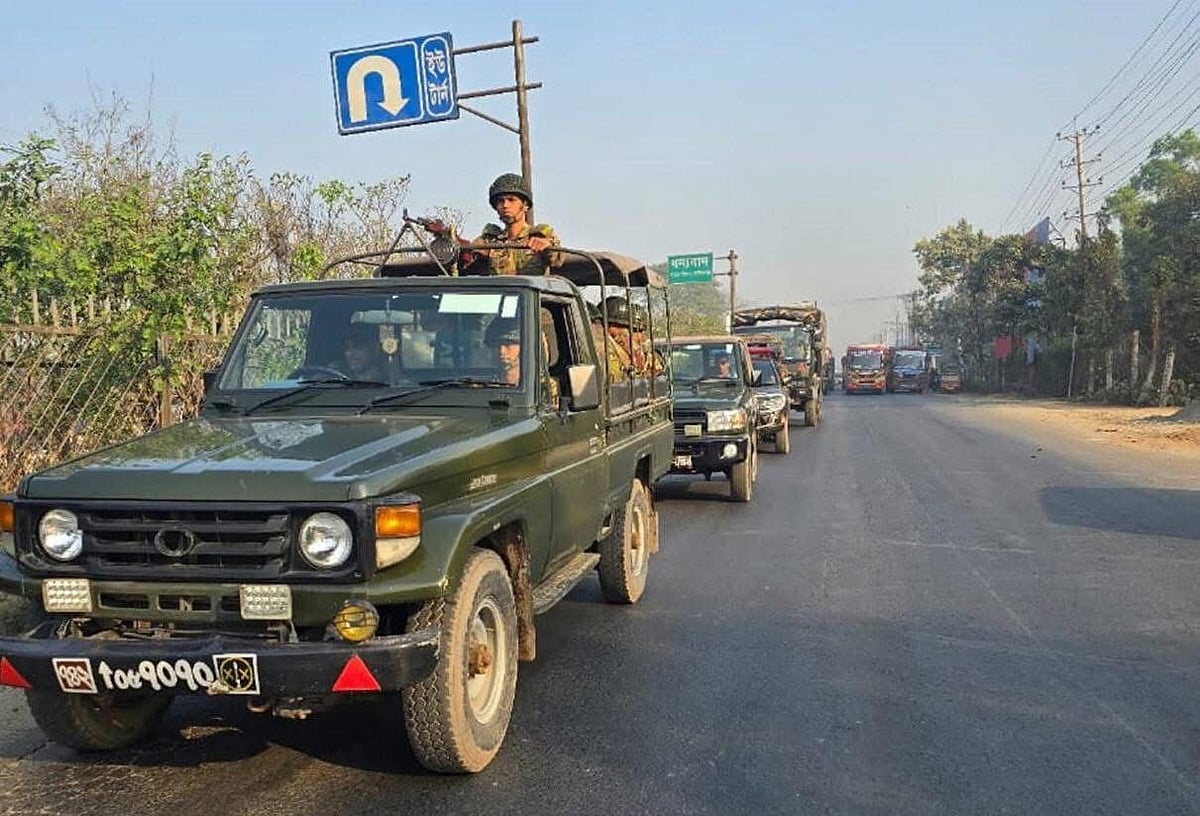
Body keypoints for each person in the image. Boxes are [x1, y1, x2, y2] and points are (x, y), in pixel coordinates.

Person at [473, 173, 563, 276]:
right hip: (499, 291)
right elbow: (467, 258)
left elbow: (558, 260)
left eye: (511, 200)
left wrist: (547, 246)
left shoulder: (540, 235)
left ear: (525, 205)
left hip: (530, 291)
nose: (505, 205)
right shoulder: (490, 241)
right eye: (500, 201)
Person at [485, 318, 523, 385]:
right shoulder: (484, 384)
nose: (501, 351)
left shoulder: (534, 384)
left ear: (521, 346)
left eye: (507, 344)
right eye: (496, 345)